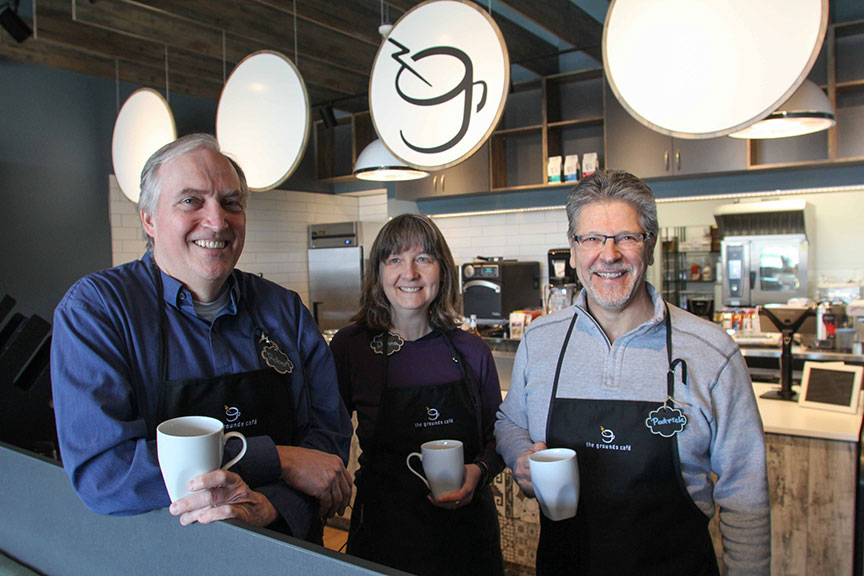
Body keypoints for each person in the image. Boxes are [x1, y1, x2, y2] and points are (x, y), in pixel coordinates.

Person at [51, 134, 353, 543]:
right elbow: (107, 471)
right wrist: (276, 459)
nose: (217, 220)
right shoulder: (98, 310)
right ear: (149, 220)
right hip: (165, 559)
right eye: (191, 200)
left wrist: (272, 505)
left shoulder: (285, 311)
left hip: (286, 551)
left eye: (231, 203)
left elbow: (327, 442)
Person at [495, 170, 770, 575]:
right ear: (573, 250)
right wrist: (520, 454)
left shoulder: (712, 351)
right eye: (591, 239)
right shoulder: (540, 340)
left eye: (626, 237)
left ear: (650, 246)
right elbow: (509, 421)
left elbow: (745, 493)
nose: (608, 255)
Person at [329, 214, 505, 575]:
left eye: (423, 258)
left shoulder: (472, 351)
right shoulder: (352, 348)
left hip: (468, 537)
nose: (409, 273)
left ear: (442, 270)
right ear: (378, 272)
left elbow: (498, 437)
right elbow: (327, 431)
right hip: (384, 531)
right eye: (395, 259)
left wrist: (480, 471)